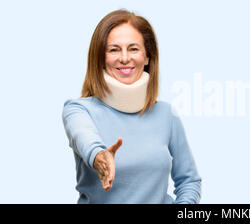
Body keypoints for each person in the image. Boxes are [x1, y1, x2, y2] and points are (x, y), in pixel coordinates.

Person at [62, 9, 201, 204]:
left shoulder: (166, 114)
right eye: (114, 49)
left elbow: (189, 180)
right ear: (101, 58)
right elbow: (84, 138)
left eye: (133, 49)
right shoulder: (79, 110)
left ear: (147, 57)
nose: (125, 58)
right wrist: (99, 157)